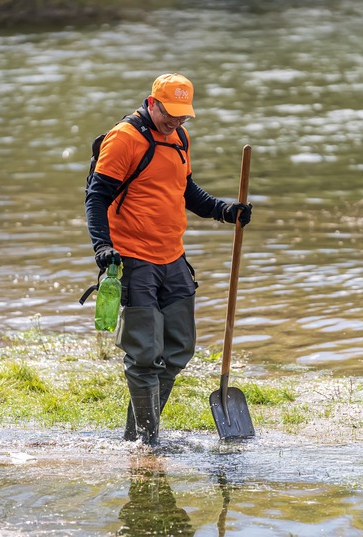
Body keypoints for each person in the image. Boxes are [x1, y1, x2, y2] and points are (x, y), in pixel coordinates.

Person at [84, 73, 252, 446]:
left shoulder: (179, 138)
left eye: (182, 115)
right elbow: (96, 198)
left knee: (179, 348)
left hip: (172, 257)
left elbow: (184, 189)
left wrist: (223, 211)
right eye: (170, 114)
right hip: (133, 258)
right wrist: (102, 247)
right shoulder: (124, 139)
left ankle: (138, 435)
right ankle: (147, 440)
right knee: (145, 355)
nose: (176, 121)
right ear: (152, 102)